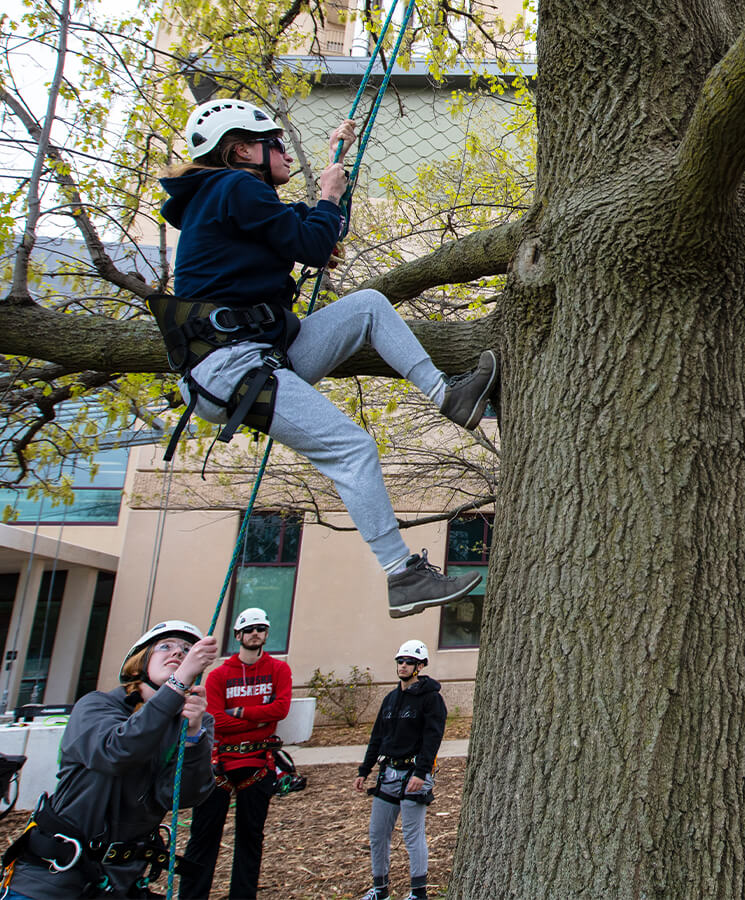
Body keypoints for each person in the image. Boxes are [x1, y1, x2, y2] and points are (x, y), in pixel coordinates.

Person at [158, 97, 497, 618]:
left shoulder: (228, 197)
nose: (286, 156)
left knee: (367, 307)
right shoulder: (235, 186)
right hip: (232, 367)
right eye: (276, 144)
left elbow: (316, 232)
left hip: (259, 355)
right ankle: (401, 575)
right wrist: (328, 198)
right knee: (353, 448)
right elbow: (312, 244)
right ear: (243, 150)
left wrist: (336, 171)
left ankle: (448, 395)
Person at [2, 621, 219, 898]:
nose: (178, 653)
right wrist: (178, 684)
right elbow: (116, 751)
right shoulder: (96, 705)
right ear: (140, 660)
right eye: (165, 646)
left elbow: (185, 795)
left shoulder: (194, 722)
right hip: (51, 879)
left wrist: (192, 736)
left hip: (120, 882)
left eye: (187, 650)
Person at [180, 607, 293, 898]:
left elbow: (281, 710)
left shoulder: (278, 670)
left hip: (258, 762)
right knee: (204, 837)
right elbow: (215, 720)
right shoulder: (219, 676)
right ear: (238, 635)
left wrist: (240, 711)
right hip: (219, 762)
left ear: (267, 634)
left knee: (250, 837)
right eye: (250, 629)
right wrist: (259, 718)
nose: (255, 633)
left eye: (260, 629)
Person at [354, 641, 447, 900]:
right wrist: (364, 770)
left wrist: (421, 772)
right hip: (388, 773)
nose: (403, 665)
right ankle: (380, 889)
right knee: (378, 833)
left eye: (408, 661)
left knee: (412, 832)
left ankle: (418, 893)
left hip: (414, 774)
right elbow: (377, 737)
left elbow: (433, 737)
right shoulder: (391, 699)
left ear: (420, 665)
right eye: (400, 661)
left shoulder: (431, 699)